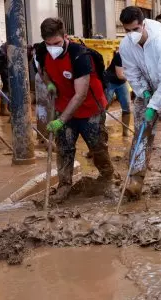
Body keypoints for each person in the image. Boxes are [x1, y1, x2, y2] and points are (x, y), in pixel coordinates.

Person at [36, 18, 114, 202]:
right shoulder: (41, 50)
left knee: (97, 146)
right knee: (64, 148)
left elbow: (80, 94)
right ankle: (64, 185)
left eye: (56, 43)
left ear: (65, 37)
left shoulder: (80, 56)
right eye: (48, 44)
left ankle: (107, 177)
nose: (52, 48)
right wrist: (49, 85)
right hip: (63, 105)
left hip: (90, 108)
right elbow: (43, 71)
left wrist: (61, 120)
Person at [119, 6, 161, 196]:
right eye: (127, 30)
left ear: (143, 24)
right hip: (146, 90)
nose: (131, 34)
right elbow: (131, 73)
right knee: (142, 132)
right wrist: (144, 92)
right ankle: (135, 180)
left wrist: (156, 104)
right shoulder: (125, 46)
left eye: (135, 29)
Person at [104, 49, 132, 137]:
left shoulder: (135, 56)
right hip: (110, 81)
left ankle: (125, 132)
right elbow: (120, 75)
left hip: (122, 83)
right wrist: (134, 79)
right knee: (105, 105)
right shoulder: (120, 56)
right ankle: (100, 128)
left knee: (127, 106)